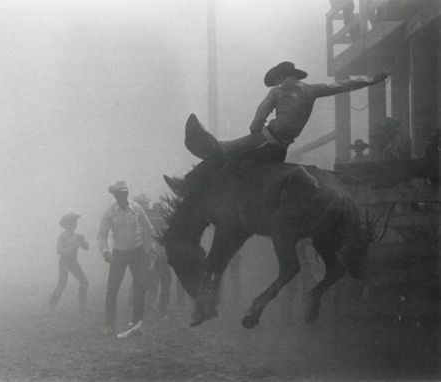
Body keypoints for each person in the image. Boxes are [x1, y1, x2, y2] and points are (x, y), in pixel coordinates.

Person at [186, 61, 389, 164]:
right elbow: (344, 85)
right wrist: (372, 79)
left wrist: (255, 130)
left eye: (276, 77)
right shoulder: (312, 89)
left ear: (280, 76)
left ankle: (206, 146)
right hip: (283, 145)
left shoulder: (277, 91)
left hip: (269, 137)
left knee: (227, 148)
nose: (274, 81)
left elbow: (260, 114)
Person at [98, 181, 156, 336]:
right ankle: (109, 325)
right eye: (120, 194)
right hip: (118, 253)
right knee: (112, 289)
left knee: (140, 287)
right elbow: (101, 235)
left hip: (137, 252)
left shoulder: (136, 207)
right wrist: (105, 252)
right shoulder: (110, 212)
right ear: (115, 195)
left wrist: (150, 248)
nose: (124, 196)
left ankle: (137, 325)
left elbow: (149, 228)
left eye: (126, 193)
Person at [134, 194, 172, 320]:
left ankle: (161, 310)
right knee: (146, 280)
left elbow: (166, 232)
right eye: (141, 203)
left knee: (164, 281)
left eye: (145, 203)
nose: (143, 205)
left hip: (160, 253)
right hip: (147, 254)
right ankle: (145, 307)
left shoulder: (153, 216)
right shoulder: (136, 217)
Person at [49, 213, 90, 314]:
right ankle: (51, 306)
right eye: (71, 223)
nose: (74, 225)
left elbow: (87, 248)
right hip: (64, 261)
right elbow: (59, 251)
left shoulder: (78, 236)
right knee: (62, 284)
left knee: (84, 281)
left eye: (75, 223)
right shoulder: (62, 236)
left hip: (73, 261)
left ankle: (82, 307)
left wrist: (83, 242)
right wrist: (73, 246)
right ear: (67, 225)